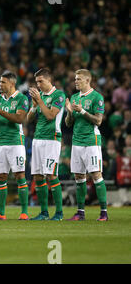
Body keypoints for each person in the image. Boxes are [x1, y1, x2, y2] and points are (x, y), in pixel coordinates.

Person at [0, 70, 30, 220]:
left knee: (19, 175)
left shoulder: (21, 99)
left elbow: (19, 118)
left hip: (16, 142)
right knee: (0, 176)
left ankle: (24, 212)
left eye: (3, 82)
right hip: (0, 143)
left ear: (12, 83)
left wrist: (0, 111)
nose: (0, 84)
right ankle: (1, 213)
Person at [65, 69, 108, 221]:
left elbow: (98, 120)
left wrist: (82, 110)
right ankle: (80, 212)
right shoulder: (75, 97)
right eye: (75, 79)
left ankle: (103, 213)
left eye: (78, 79)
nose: (75, 81)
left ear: (87, 81)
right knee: (79, 177)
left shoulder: (97, 97)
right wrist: (69, 112)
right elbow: (69, 124)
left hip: (91, 140)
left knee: (96, 175)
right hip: (77, 141)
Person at [27, 68, 66, 221]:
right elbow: (29, 119)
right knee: (37, 176)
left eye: (40, 81)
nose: (38, 85)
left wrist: (40, 101)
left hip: (52, 139)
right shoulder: (39, 96)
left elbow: (50, 116)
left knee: (51, 175)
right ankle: (43, 212)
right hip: (38, 138)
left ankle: (59, 213)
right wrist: (34, 105)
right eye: (36, 82)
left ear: (49, 80)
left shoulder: (59, 95)